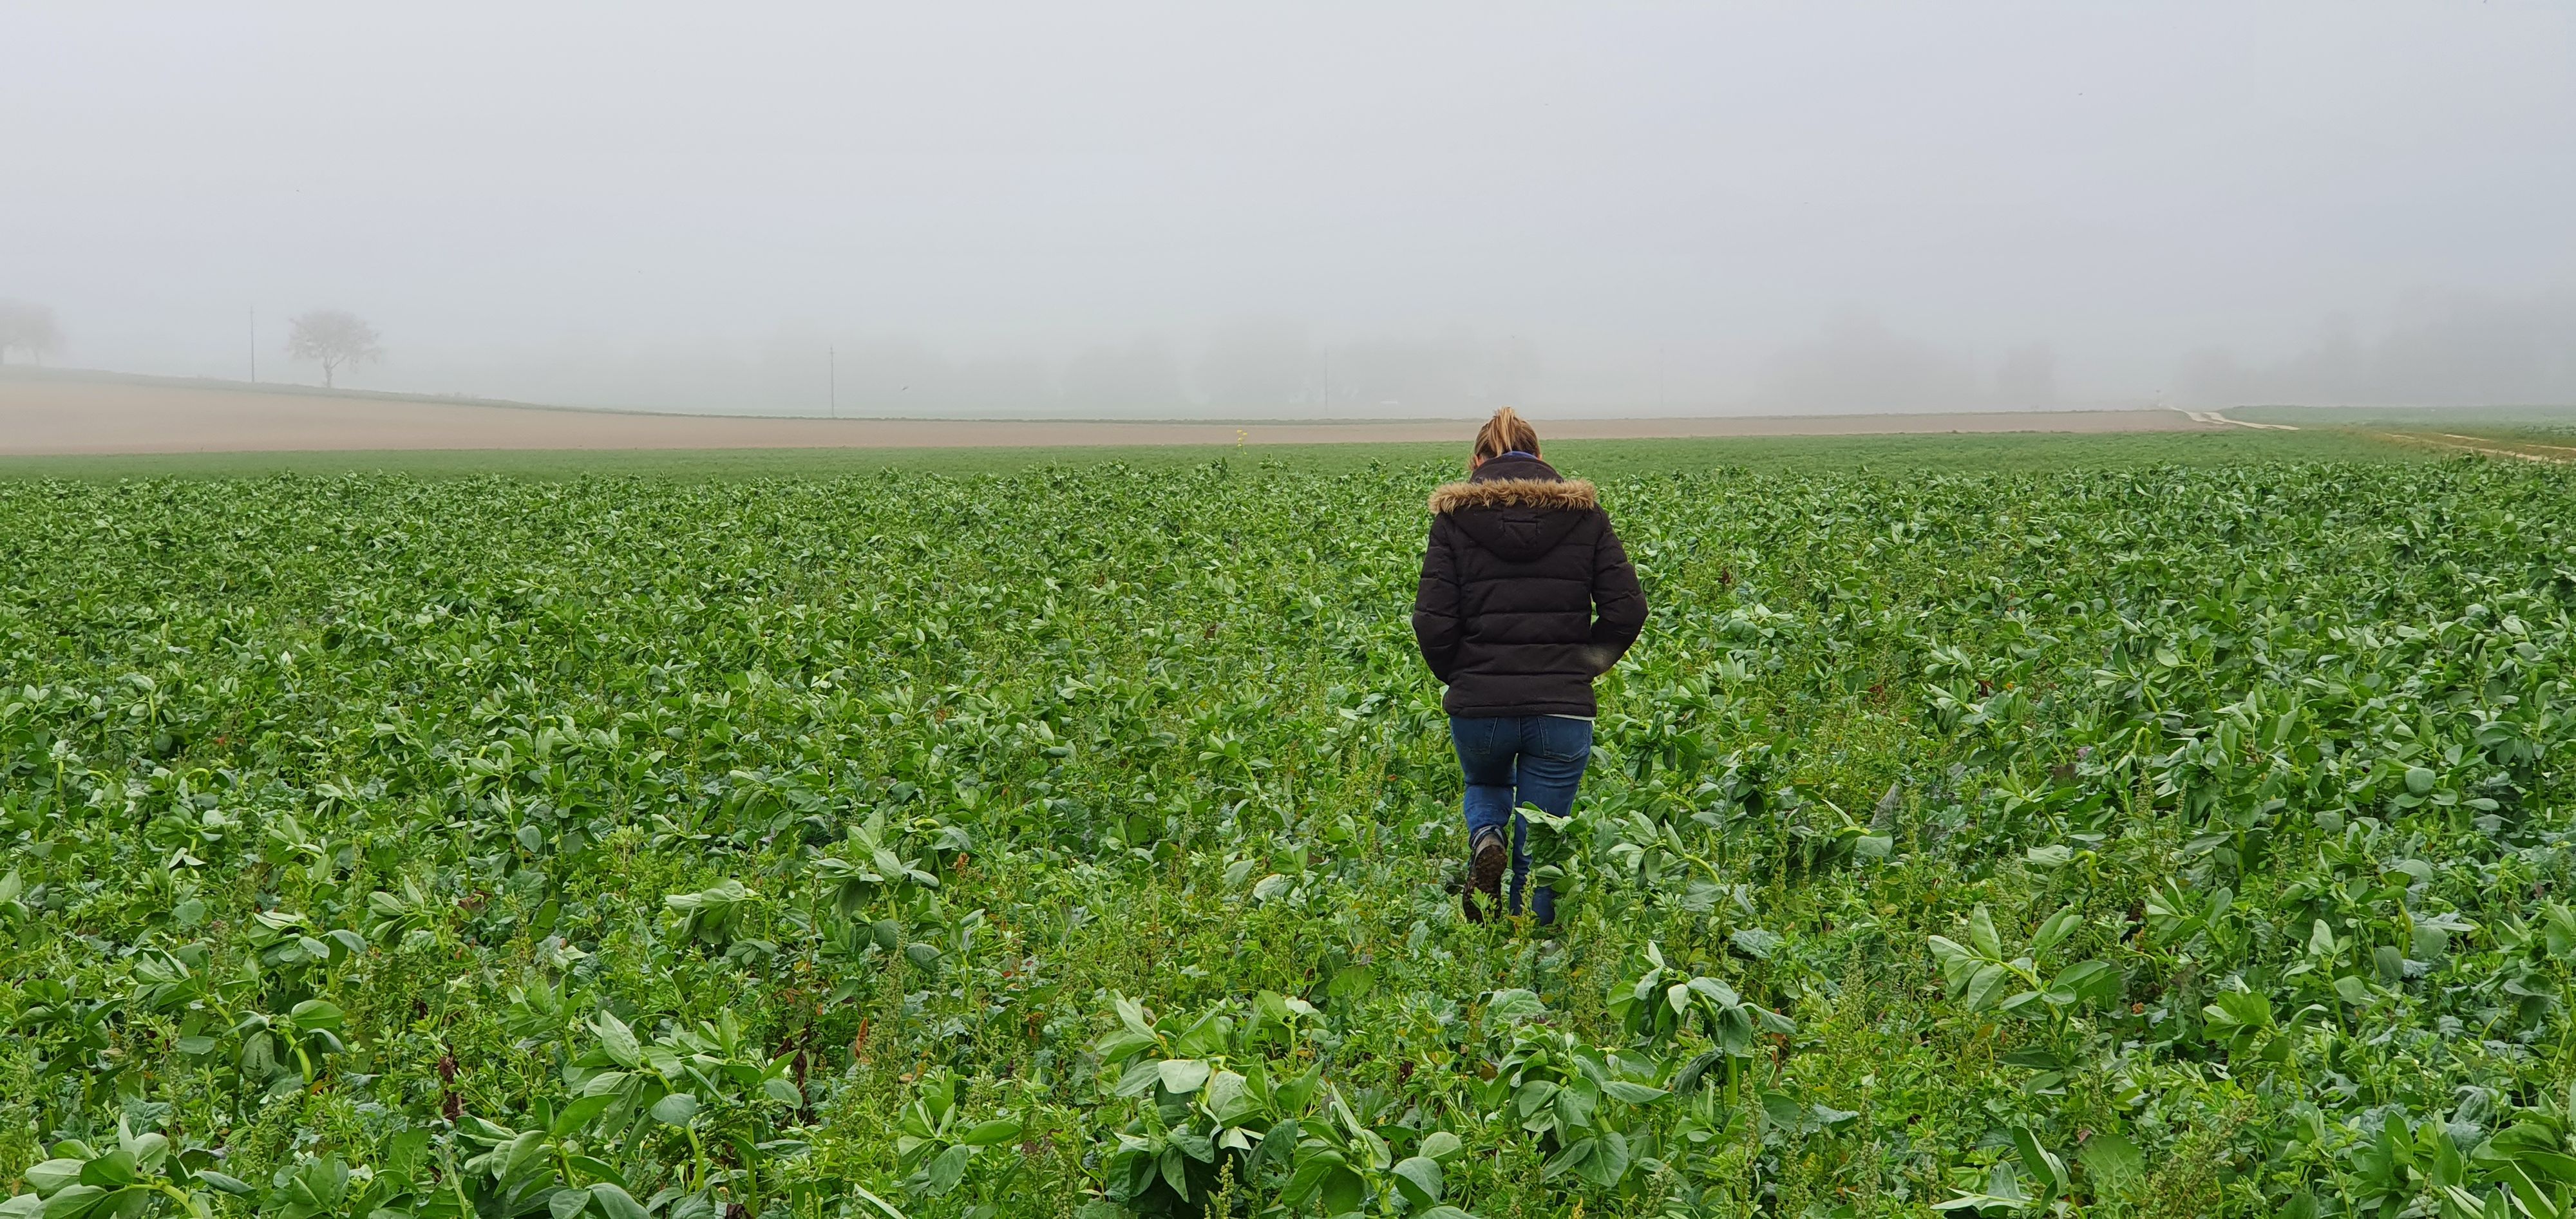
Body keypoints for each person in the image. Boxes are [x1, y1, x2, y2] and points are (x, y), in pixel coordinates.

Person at [1412, 408, 1646, 924]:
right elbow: (1627, 609)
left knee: (1485, 784)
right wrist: (1583, 663)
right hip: (1561, 710)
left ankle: (1486, 836)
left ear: (1476, 462)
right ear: (1540, 458)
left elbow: (1431, 622)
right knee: (1542, 844)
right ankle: (1531, 964)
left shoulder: (1452, 521)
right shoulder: (1586, 517)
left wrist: (1465, 675)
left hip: (1480, 707)